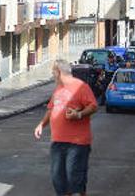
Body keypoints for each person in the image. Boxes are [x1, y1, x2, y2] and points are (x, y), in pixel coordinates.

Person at [34, 59, 98, 196]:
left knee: (75, 179)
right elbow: (51, 110)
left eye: (53, 72)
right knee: (58, 178)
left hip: (77, 143)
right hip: (58, 141)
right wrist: (41, 124)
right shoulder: (59, 89)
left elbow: (93, 106)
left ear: (59, 72)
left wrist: (79, 114)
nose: (52, 75)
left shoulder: (81, 86)